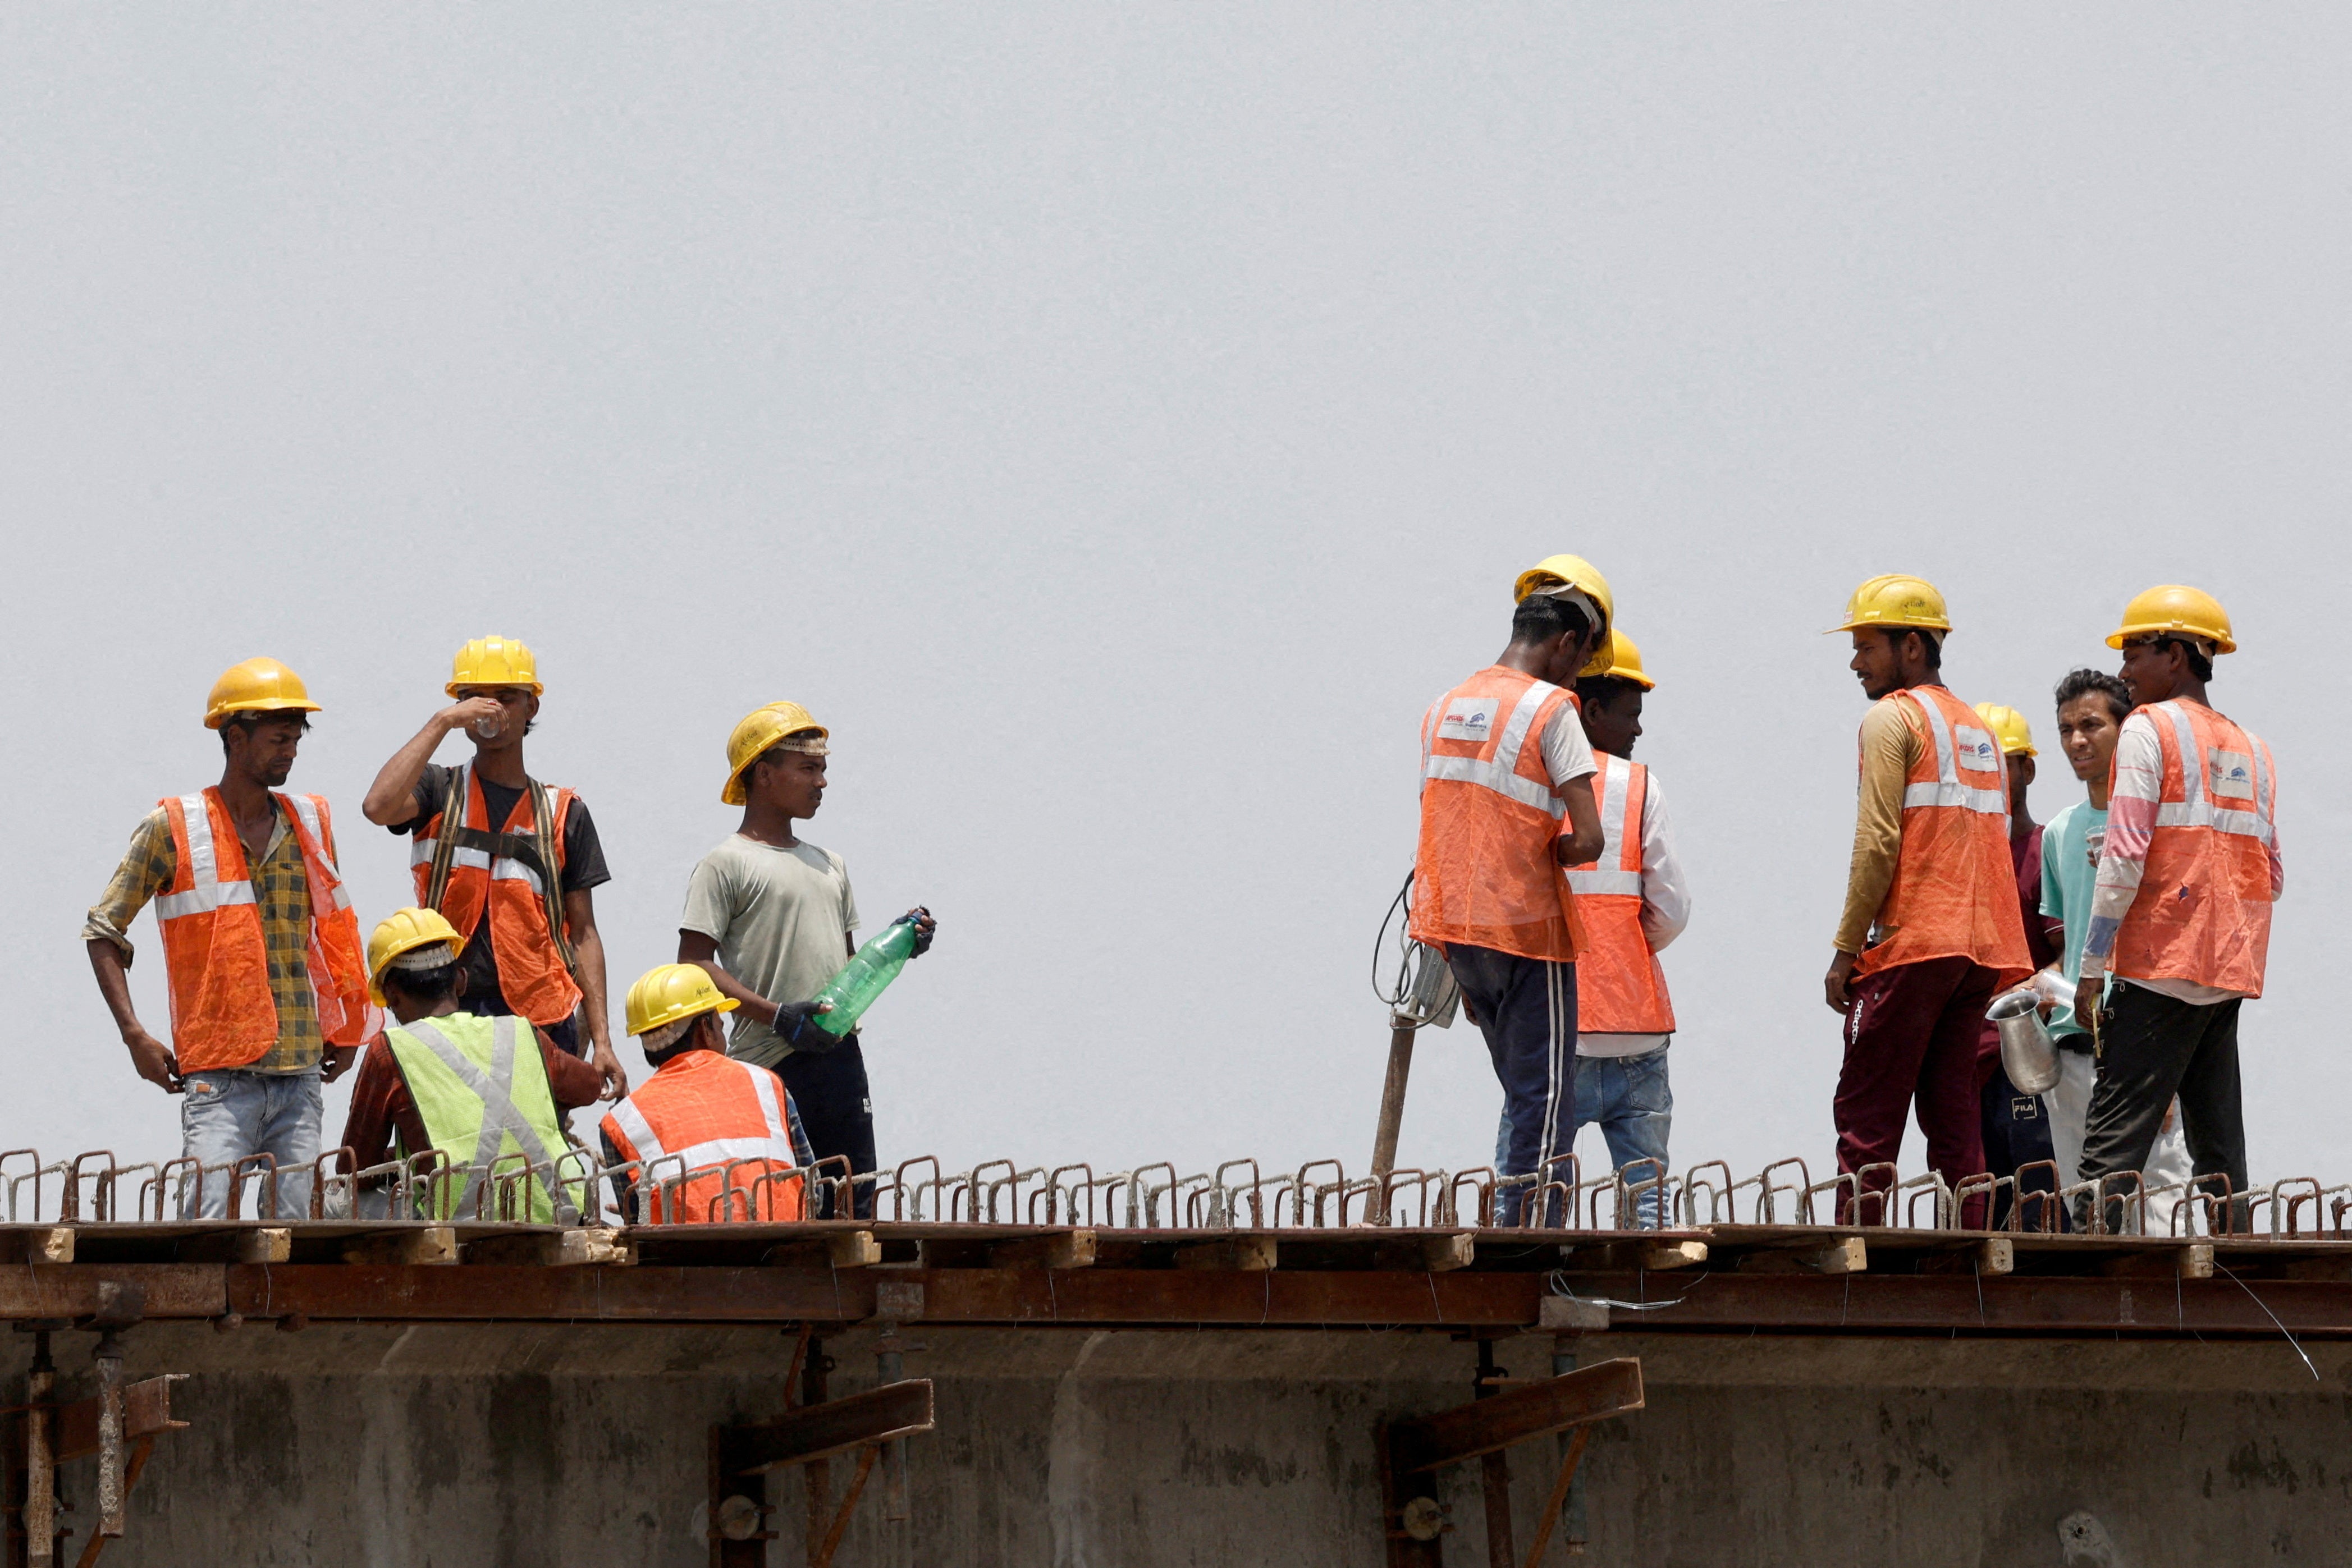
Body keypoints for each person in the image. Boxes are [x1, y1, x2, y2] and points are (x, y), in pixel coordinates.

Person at [84, 658, 376, 1219]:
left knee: (292, 1245)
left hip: (298, 1073)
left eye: (294, 740)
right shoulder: (175, 826)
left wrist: (344, 1023)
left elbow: (334, 933)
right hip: (217, 1082)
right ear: (235, 738)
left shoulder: (310, 823)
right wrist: (133, 1034)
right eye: (277, 740)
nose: (289, 751)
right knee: (207, 1234)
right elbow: (103, 930)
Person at [1823, 576, 2030, 1223]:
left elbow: (1877, 841)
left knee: (1866, 1112)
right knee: (1951, 1117)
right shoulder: (1980, 732)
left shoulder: (1890, 718)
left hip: (1913, 944)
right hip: (1978, 952)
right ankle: (1971, 1251)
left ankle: (1853, 1251)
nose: (1855, 662)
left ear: (1911, 645)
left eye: (1866, 645)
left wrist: (1844, 948)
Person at [2074, 587, 2281, 1232]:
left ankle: (2074, 1284)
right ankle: (2235, 1270)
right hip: (2227, 965)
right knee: (2218, 1148)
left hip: (2158, 960)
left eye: (2135, 650)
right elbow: (2270, 877)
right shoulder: (2253, 748)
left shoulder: (2146, 728)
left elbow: (2126, 857)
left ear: (2178, 655)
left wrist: (2089, 965)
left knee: (2111, 1144)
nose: (2124, 669)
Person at [678, 702, 935, 1221]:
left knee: (851, 1206)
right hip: (770, 1065)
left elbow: (846, 968)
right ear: (765, 776)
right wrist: (778, 1015)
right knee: (781, 1207)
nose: (821, 783)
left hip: (839, 1057)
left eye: (823, 770)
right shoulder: (725, 864)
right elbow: (695, 966)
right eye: (808, 769)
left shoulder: (830, 865)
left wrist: (902, 944)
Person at [1413, 554, 1609, 1223]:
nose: (1579, 673)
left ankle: (1515, 1219)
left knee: (1521, 1091)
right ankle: (1529, 1236)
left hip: (1456, 934)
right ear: (1565, 644)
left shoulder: (1446, 704)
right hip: (1527, 931)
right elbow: (1588, 838)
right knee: (1548, 1098)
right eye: (1582, 659)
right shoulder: (1552, 709)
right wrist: (1547, 848)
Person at [362, 635, 625, 1101]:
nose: (492, 710)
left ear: (531, 705)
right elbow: (378, 806)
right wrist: (442, 722)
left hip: (541, 1020)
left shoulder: (563, 813)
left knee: (535, 1152)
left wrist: (602, 1041)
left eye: (506, 697)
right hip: (449, 1014)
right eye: (477, 698)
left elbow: (584, 933)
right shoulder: (437, 790)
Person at [2037, 669, 2192, 1229]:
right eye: (2064, 729)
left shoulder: (2163, 825)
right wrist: (2042, 983)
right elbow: (2069, 939)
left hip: (2142, 1032)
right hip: (2073, 1041)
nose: (2076, 740)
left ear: (2125, 731)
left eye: (2090, 725)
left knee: (2158, 1197)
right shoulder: (2057, 832)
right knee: (2085, 1202)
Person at [340, 907, 605, 1221]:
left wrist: (406, 1158)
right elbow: (589, 1087)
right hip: (561, 1210)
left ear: (392, 996)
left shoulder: (389, 1051)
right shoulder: (520, 1033)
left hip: (459, 1219)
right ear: (461, 981)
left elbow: (354, 1170)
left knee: (336, 1203)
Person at [1561, 630, 1689, 1228]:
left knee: (1538, 1201)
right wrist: (1629, 949)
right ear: (1590, 710)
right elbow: (1671, 907)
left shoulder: (1533, 788)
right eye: (1629, 714)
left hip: (1557, 1031)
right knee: (1647, 1205)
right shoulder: (1639, 788)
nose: (1638, 729)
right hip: (1636, 1031)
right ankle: (1649, 1302)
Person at [599, 964, 818, 1225]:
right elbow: (813, 1191)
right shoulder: (766, 1085)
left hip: (687, 1259)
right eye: (719, 1022)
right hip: (786, 1251)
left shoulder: (621, 1122)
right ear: (705, 1028)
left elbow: (637, 1220)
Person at [1971, 703, 2063, 1227]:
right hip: (1969, 1062)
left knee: (2039, 1198)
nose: (1989, 780)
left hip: (2026, 1064)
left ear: (2027, 769)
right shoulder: (1963, 862)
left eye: (2001, 764)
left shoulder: (2045, 848)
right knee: (1979, 1202)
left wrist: (2031, 994)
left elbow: (2071, 951)